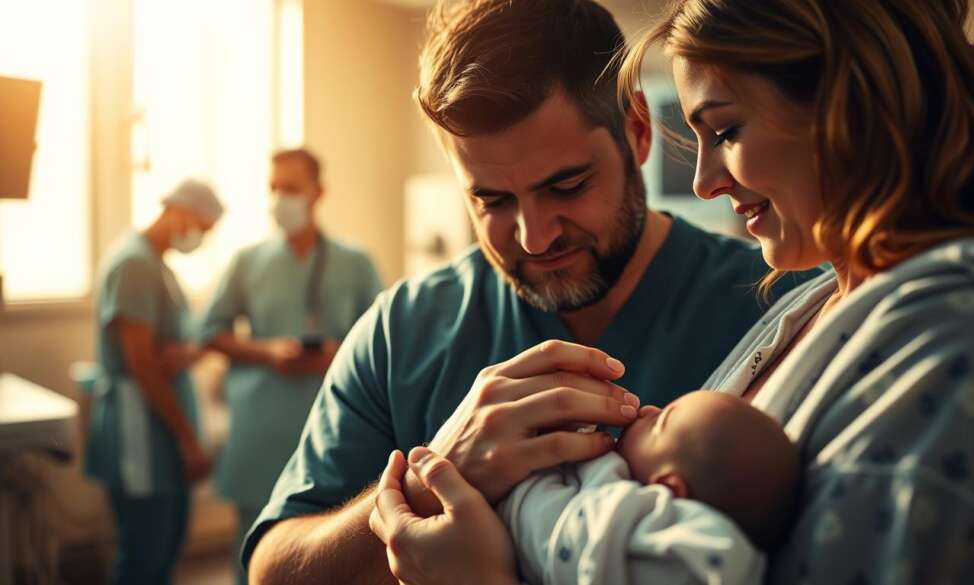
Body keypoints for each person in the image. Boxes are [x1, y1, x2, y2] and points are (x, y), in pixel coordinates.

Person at [370, 0, 974, 583]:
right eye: (491, 197)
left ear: (847, 109)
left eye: (727, 130)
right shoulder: (814, 305)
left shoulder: (958, 332)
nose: (705, 182)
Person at [243, 1, 815, 583]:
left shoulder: (786, 311)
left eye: (566, 186)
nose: (534, 236)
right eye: (491, 201)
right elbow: (273, 570)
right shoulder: (405, 331)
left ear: (637, 131)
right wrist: (435, 478)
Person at [198, 147, 382, 585]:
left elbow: (383, 336)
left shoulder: (354, 263)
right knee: (254, 551)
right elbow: (210, 331)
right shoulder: (248, 261)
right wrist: (268, 352)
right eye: (273, 188)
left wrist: (339, 351)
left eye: (291, 188)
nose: (280, 198)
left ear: (318, 192)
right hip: (261, 426)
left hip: (335, 425)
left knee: (332, 549)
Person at [496, 391, 799, 585]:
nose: (648, 410)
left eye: (659, 423)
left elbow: (537, 520)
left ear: (667, 488)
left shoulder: (617, 515)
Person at [85, 179, 223, 585]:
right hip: (140, 432)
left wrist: (181, 354)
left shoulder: (154, 262)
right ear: (178, 211)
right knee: (144, 556)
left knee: (162, 550)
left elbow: (157, 350)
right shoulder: (134, 264)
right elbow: (142, 366)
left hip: (157, 431)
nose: (201, 238)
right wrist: (188, 440)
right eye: (203, 227)